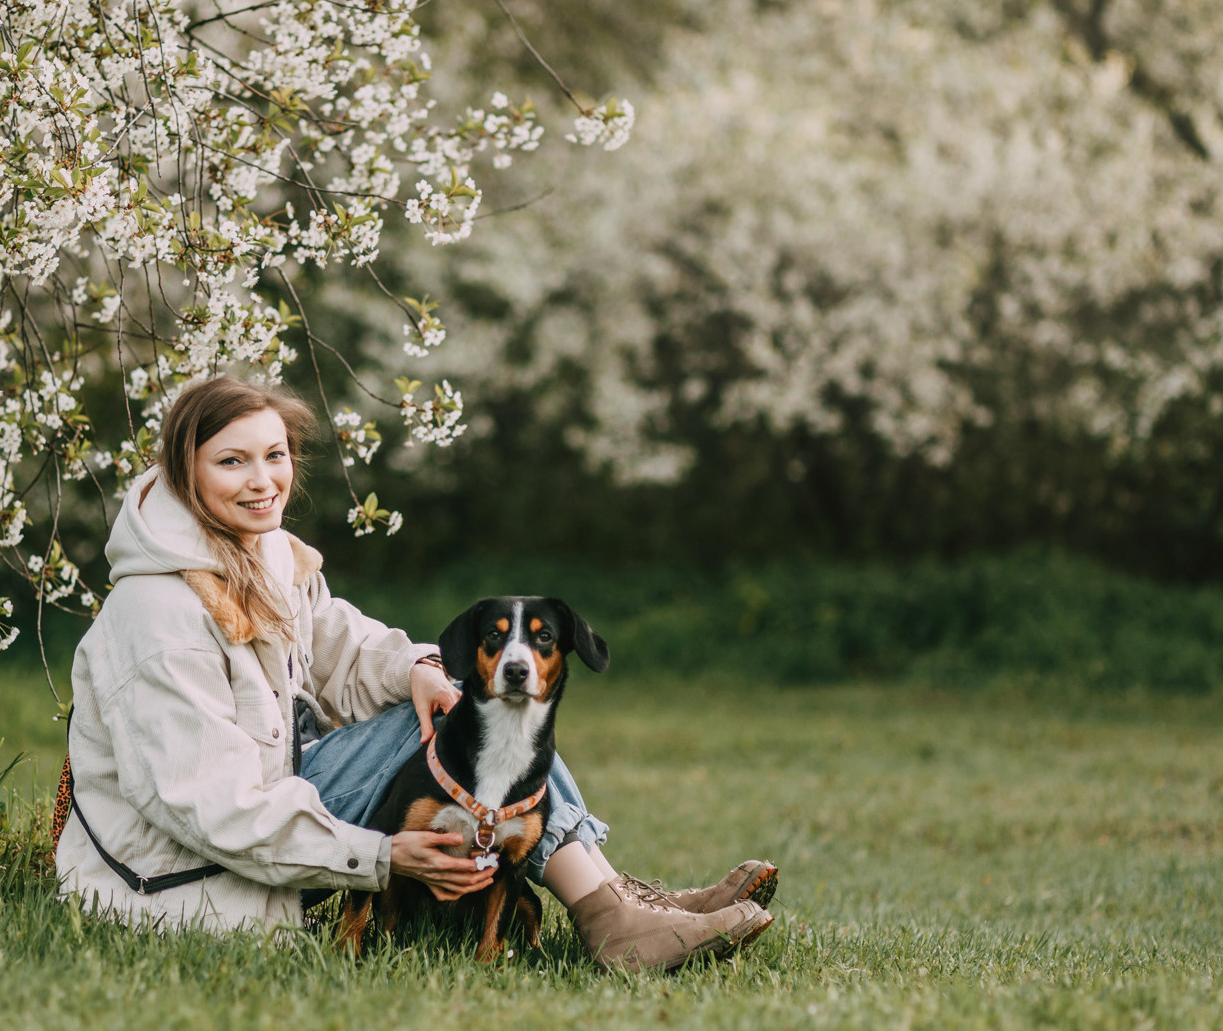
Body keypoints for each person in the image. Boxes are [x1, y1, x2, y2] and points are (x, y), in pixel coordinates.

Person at [56, 374, 776, 971]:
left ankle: (617, 901)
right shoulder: (155, 613)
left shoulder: (258, 550)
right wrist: (376, 853)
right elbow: (206, 803)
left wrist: (420, 669)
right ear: (186, 469)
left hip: (269, 790)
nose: (263, 480)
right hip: (184, 870)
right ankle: (610, 912)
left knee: (470, 700)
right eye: (232, 461)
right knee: (482, 719)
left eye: (274, 455)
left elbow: (336, 641)